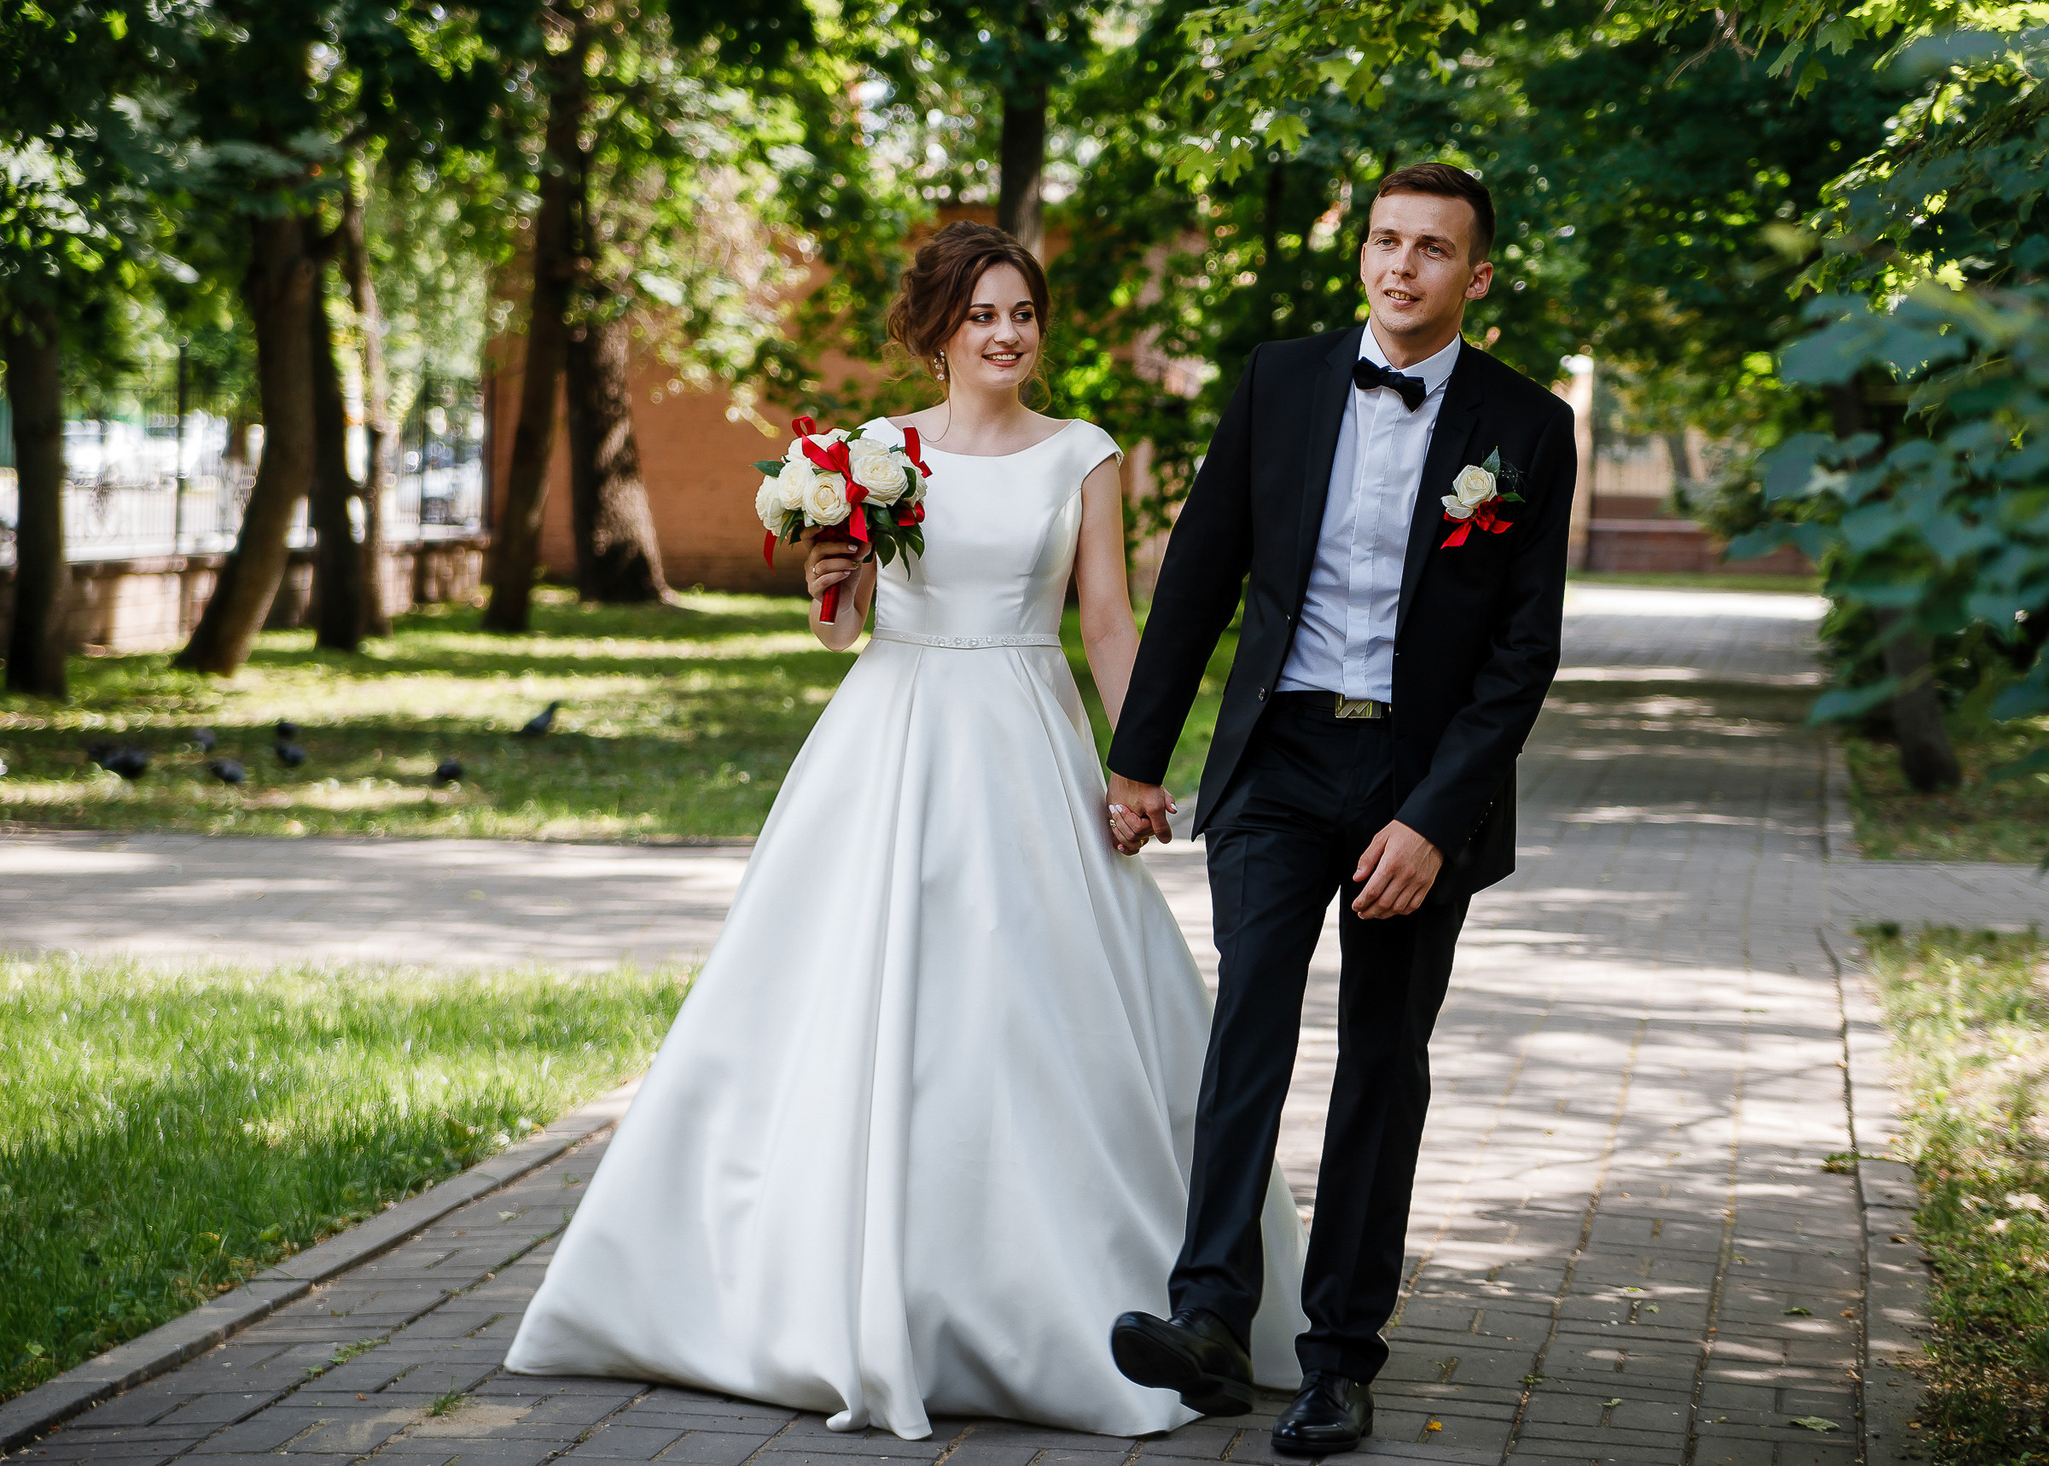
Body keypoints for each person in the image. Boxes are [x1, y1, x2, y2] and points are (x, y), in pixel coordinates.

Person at [503, 222, 1307, 1439]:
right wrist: (830, 575)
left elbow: (1103, 618)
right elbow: (844, 624)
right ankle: (796, 1287)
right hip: (893, 730)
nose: (1004, 334)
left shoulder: (1084, 455)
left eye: (1021, 313)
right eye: (982, 314)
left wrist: (1135, 761)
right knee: (846, 994)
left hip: (1027, 732)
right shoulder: (879, 452)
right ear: (937, 332)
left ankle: (1089, 1293)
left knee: (1034, 1002)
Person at [1103, 164, 1576, 1455]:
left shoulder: (1528, 427)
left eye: (1433, 248)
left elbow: (1519, 655)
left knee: (1380, 1054)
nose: (1401, 265)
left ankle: (1339, 1357)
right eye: (1384, 240)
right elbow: (1198, 571)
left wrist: (1432, 818)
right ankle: (1207, 1314)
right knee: (1248, 1013)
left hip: (1422, 787)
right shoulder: (1283, 378)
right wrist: (1138, 756)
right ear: (1361, 253)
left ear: (1478, 275)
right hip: (1278, 760)